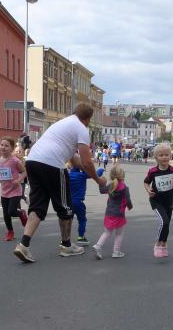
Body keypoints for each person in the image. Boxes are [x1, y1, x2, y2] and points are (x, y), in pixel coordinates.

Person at [12, 102, 106, 263]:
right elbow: (86, 161)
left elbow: (75, 160)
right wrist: (99, 180)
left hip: (33, 162)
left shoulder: (63, 124)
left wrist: (88, 172)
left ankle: (23, 245)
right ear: (88, 119)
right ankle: (66, 245)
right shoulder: (82, 128)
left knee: (37, 206)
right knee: (65, 207)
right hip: (52, 165)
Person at [144, 143, 173, 258]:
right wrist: (148, 190)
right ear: (156, 157)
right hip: (156, 201)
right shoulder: (153, 171)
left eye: (166, 155)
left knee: (167, 224)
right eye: (161, 155)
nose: (164, 157)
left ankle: (164, 245)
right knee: (164, 222)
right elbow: (146, 182)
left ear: (170, 156)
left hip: (168, 202)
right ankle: (157, 244)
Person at [92, 165, 133, 260]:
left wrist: (101, 182)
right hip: (119, 215)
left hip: (109, 213)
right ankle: (116, 252)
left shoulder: (111, 186)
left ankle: (98, 245)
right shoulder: (124, 188)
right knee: (119, 234)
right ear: (122, 175)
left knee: (107, 232)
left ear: (111, 176)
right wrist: (130, 207)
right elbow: (128, 201)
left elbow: (102, 191)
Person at [0, 136, 27, 241]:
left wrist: (19, 180)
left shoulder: (15, 161)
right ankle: (10, 232)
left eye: (6, 146)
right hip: (4, 191)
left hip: (15, 191)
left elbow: (25, 172)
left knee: (11, 211)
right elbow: (0, 174)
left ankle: (21, 213)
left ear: (12, 148)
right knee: (6, 214)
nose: (3, 147)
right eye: (2, 145)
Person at [67, 153, 91, 245]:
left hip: (68, 202)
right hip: (79, 203)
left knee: (68, 220)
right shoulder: (82, 175)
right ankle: (81, 237)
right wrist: (101, 170)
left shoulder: (67, 175)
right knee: (82, 220)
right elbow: (94, 174)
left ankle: (65, 239)